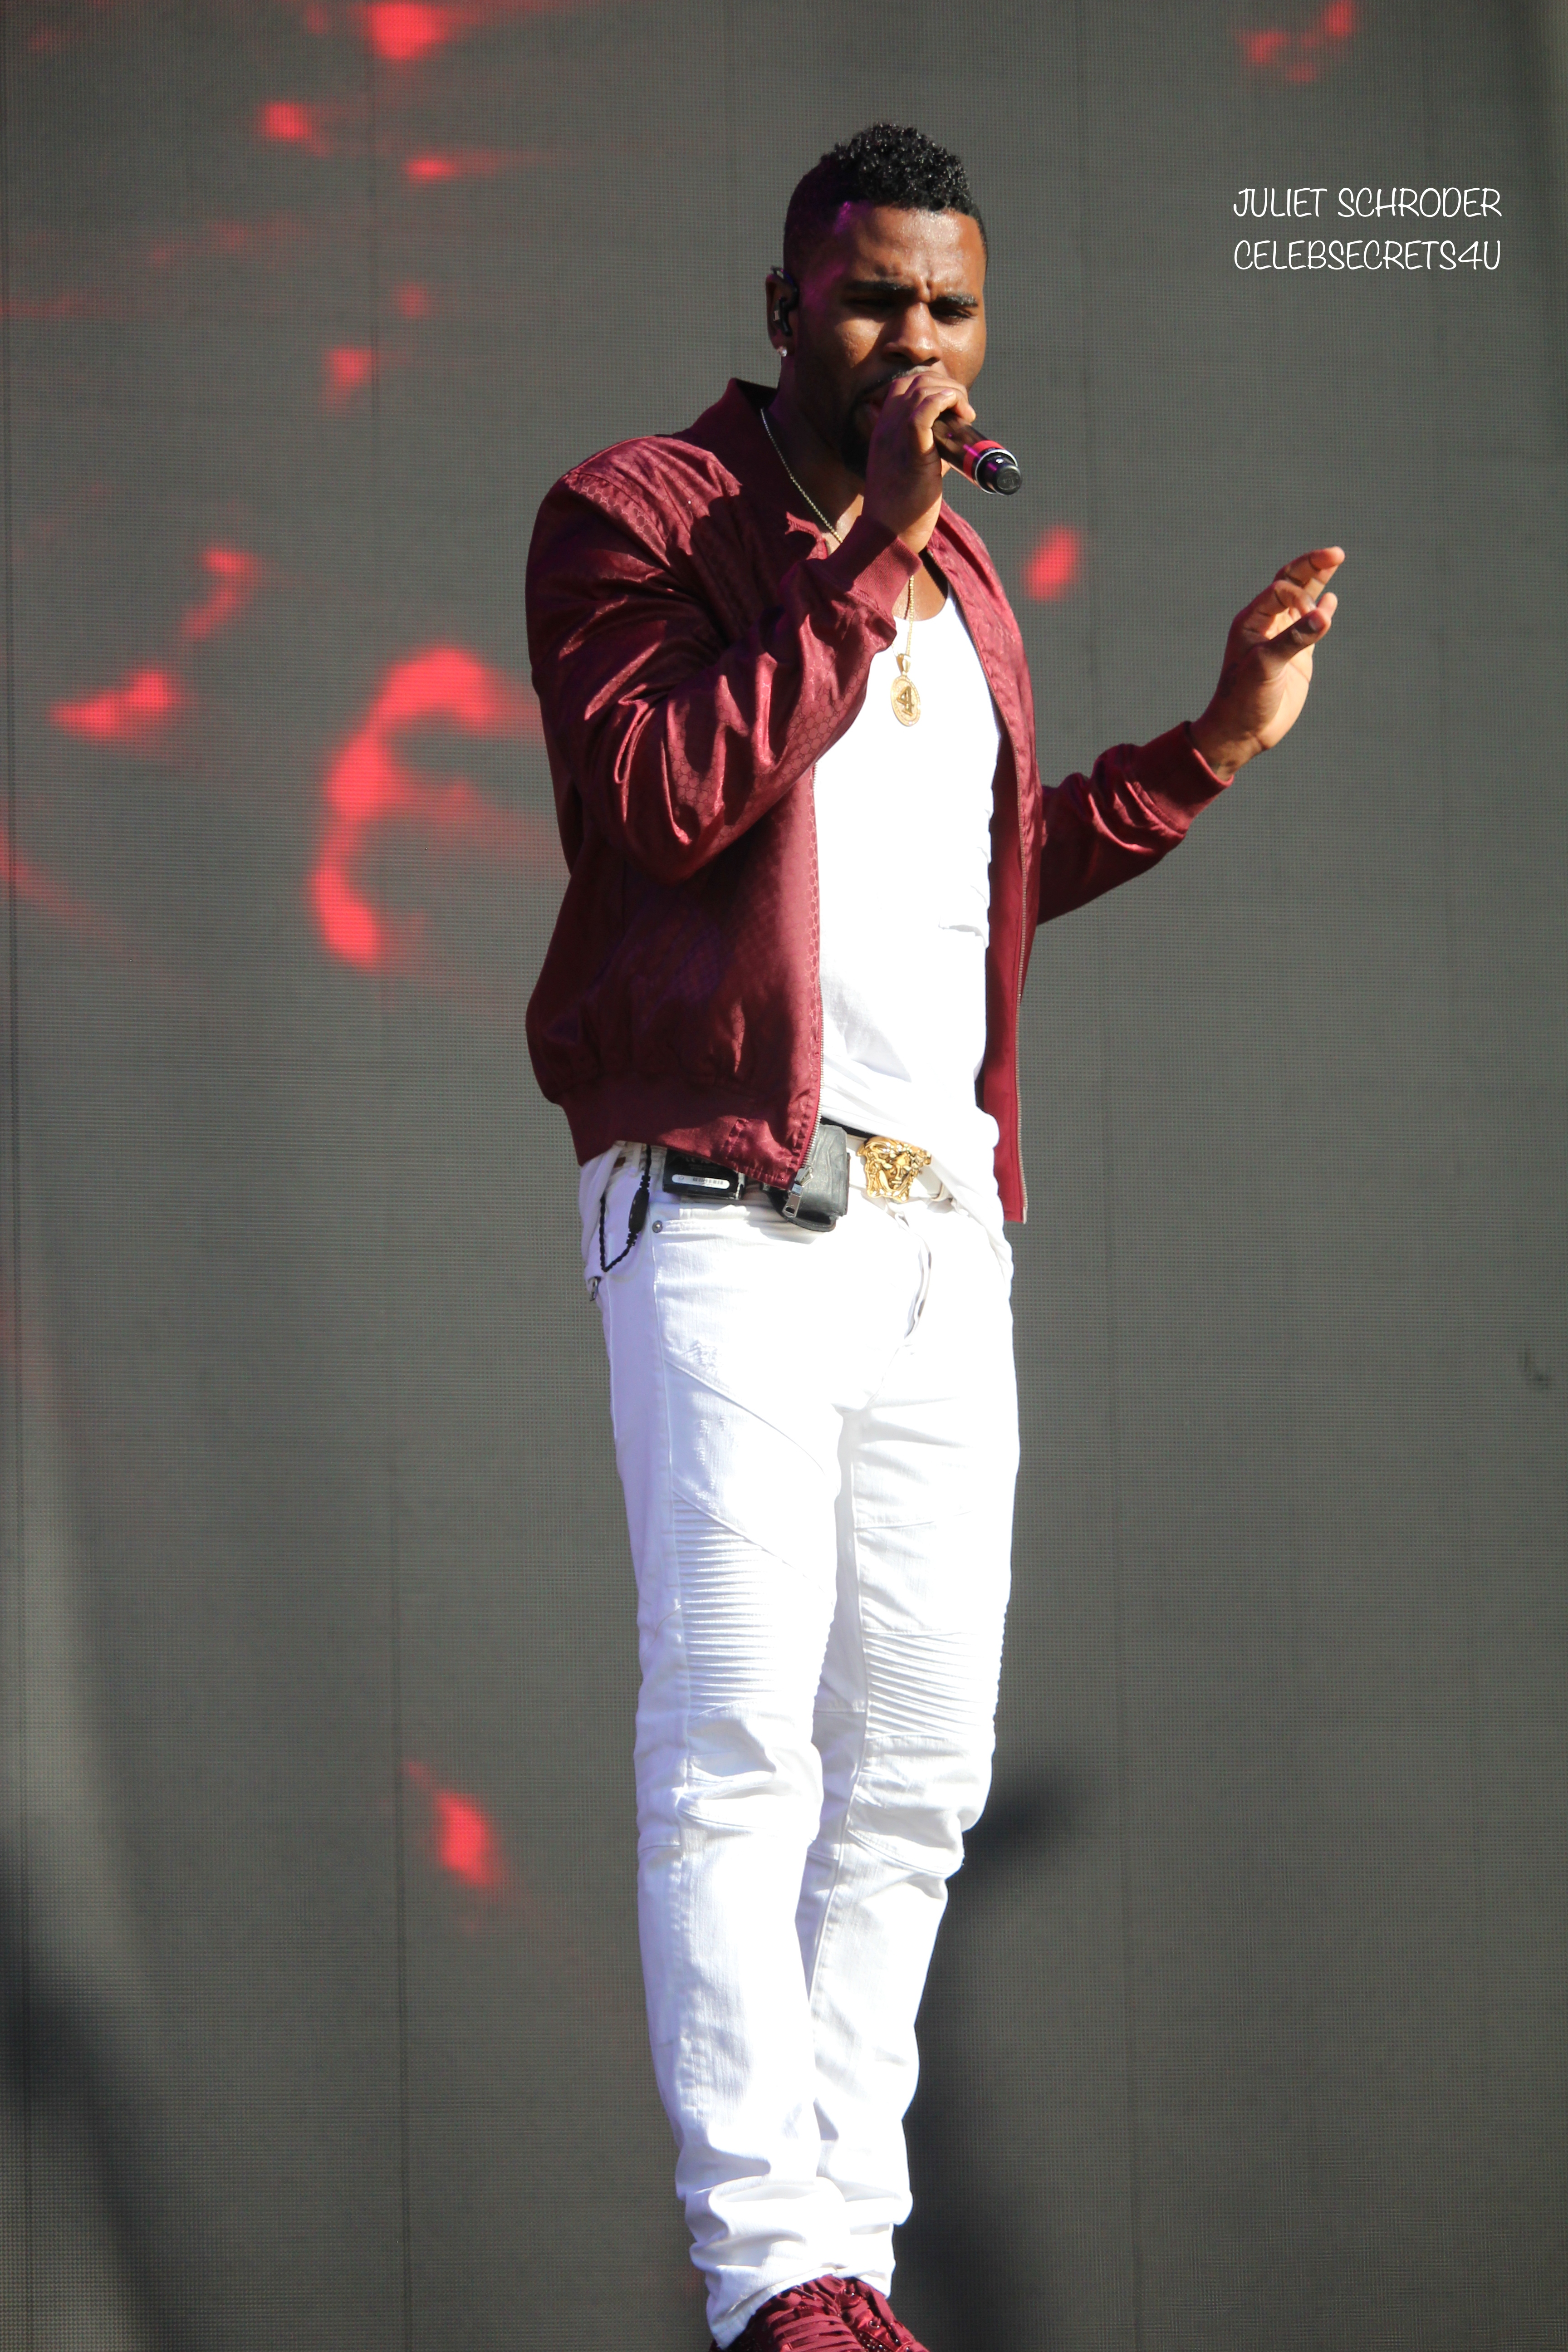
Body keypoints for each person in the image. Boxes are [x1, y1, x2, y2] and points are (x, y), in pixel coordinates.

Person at [524, 122, 1342, 2352]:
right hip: (728, 1198)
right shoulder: (640, 516)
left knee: (914, 1775)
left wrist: (1213, 747)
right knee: (737, 1745)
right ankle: (767, 2264)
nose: (919, 341)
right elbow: (659, 800)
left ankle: (849, 2263)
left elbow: (989, 877)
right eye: (876, 297)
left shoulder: (968, 584)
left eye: (952, 307)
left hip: (935, 1228)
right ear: (785, 308)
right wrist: (867, 555)